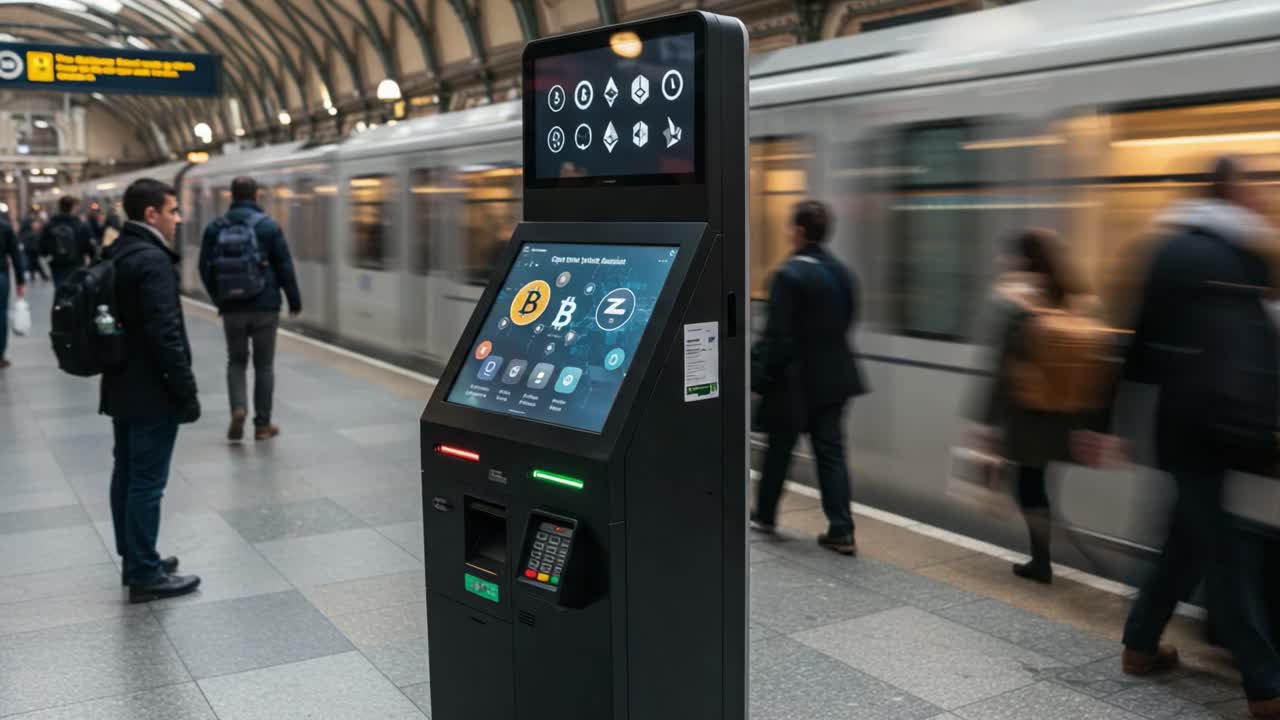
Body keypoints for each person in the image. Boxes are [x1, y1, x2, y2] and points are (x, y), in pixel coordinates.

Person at [1082, 156, 1280, 718]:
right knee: (1228, 555)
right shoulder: (1246, 252)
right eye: (1254, 183)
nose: (1263, 193)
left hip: (1186, 426)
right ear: (1229, 190)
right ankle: (1265, 687)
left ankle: (1140, 647)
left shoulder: (1170, 249)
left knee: (1188, 540)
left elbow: (1137, 342)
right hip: (1228, 426)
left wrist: (1107, 423)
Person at [968, 229, 1103, 584]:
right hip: (1060, 414)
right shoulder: (1069, 295)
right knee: (1037, 481)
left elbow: (1003, 367)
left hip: (1026, 411)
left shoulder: (1016, 301)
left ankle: (1042, 559)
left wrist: (985, 423)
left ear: (1022, 260)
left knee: (1028, 485)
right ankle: (1042, 551)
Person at [101, 178, 201, 603]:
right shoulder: (153, 260)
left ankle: (135, 556)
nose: (179, 218)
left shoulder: (118, 250)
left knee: (126, 473)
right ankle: (144, 573)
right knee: (147, 481)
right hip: (151, 390)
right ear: (151, 215)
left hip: (122, 383)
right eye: (173, 210)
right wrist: (186, 391)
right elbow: (165, 335)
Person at [750, 199, 867, 555]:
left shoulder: (787, 275)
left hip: (794, 382)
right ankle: (842, 529)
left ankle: (765, 515)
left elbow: (777, 337)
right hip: (835, 378)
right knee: (830, 453)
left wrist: (760, 381)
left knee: (778, 451)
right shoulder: (843, 272)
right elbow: (849, 320)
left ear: (798, 231)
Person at [198, 176, 301, 443]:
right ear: (256, 196)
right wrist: (294, 300)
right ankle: (262, 425)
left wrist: (219, 298)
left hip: (232, 308)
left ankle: (238, 409)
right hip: (265, 305)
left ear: (231, 197)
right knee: (264, 365)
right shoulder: (268, 226)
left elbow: (204, 268)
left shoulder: (215, 227)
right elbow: (284, 266)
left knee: (236, 361)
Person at [39, 195, 95, 287]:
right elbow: (89, 247)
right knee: (76, 293)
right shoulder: (80, 225)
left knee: (60, 290)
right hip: (76, 265)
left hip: (57, 266)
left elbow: (42, 247)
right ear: (73, 207)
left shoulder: (50, 225)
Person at [0, 214, 27, 369]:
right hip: (1, 275)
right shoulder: (4, 226)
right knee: (1, 314)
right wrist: (20, 281)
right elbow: (15, 254)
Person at [19, 218, 49, 284]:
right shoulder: (29, 232)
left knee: (33, 263)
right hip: (31, 250)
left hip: (32, 250)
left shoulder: (30, 232)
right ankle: (43, 276)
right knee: (35, 263)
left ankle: (35, 276)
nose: (36, 225)